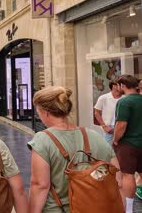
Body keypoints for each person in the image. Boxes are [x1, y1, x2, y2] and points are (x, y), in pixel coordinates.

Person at [28, 86, 120, 213]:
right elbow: (117, 179)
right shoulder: (95, 136)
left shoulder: (42, 140)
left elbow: (40, 185)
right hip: (96, 208)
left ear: (45, 112)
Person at [113, 75, 142, 212]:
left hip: (128, 143)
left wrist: (116, 139)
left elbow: (121, 125)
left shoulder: (124, 102)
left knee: (127, 175)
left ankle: (129, 209)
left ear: (122, 85)